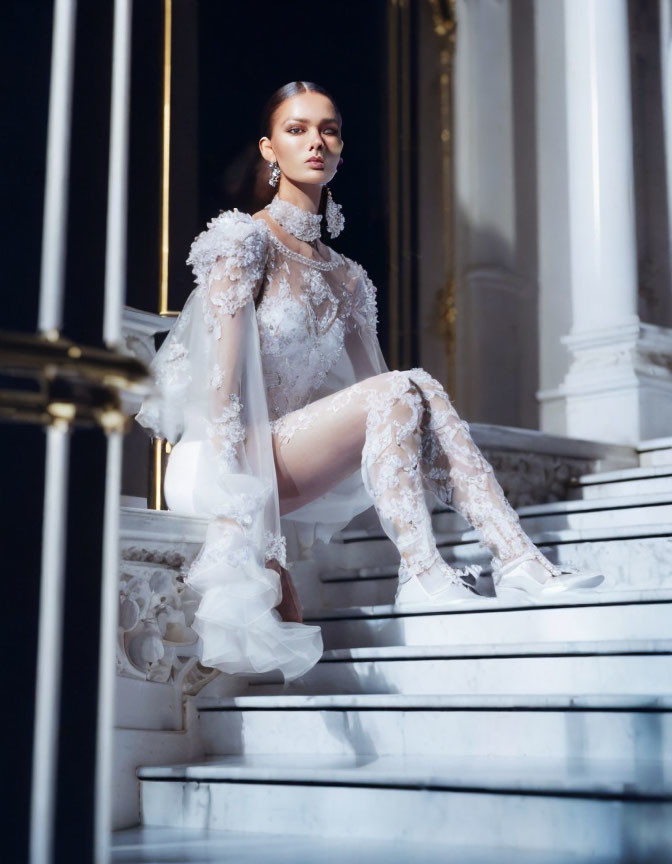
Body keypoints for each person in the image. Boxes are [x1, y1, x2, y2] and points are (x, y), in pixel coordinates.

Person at [135, 81, 604, 683]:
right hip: (220, 464)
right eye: (297, 129)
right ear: (268, 149)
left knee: (419, 388)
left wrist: (417, 411)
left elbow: (388, 397)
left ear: (340, 148)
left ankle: (515, 559)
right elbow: (224, 396)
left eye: (328, 130)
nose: (315, 142)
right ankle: (423, 571)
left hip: (285, 451)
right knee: (405, 387)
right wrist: (251, 529)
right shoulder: (244, 242)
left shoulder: (349, 278)